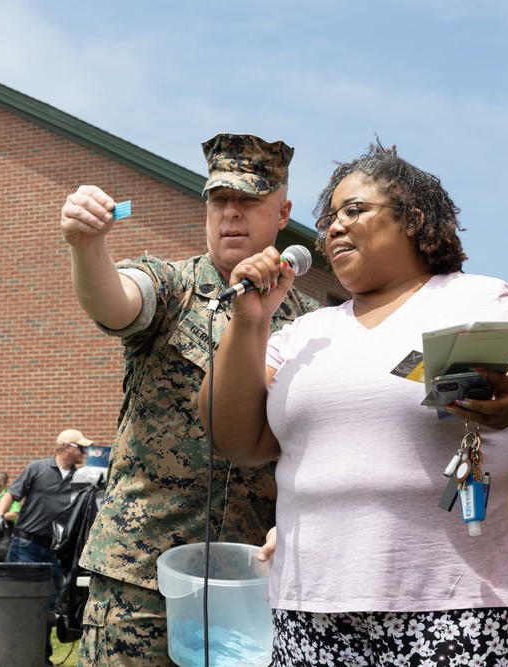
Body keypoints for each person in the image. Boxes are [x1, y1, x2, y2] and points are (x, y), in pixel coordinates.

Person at [199, 141, 508, 666]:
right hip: (314, 608)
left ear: (414, 219)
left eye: (354, 210)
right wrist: (251, 321)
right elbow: (235, 437)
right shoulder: (302, 332)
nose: (334, 227)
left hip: (462, 604)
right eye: (329, 218)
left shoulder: (479, 299)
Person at [59, 132, 319, 665]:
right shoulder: (174, 285)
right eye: (219, 199)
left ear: (282, 211)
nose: (231, 214)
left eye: (248, 201)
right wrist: (88, 248)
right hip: (143, 576)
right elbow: (117, 302)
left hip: (249, 584)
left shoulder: (310, 323)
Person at [0, 428, 90, 665]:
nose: (84, 452)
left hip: (54, 550)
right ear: (67, 446)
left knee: (48, 602)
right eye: (81, 447)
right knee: (18, 599)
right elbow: (12, 493)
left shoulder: (81, 478)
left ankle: (41, 657)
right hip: (25, 544)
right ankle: (10, 654)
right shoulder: (37, 468)